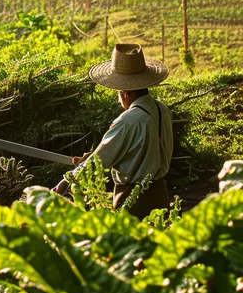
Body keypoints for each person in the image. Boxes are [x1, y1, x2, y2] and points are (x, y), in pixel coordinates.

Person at [54, 43, 173, 219]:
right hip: (160, 196)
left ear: (125, 92)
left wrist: (66, 182)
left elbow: (98, 161)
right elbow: (137, 151)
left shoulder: (127, 121)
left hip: (133, 201)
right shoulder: (162, 109)